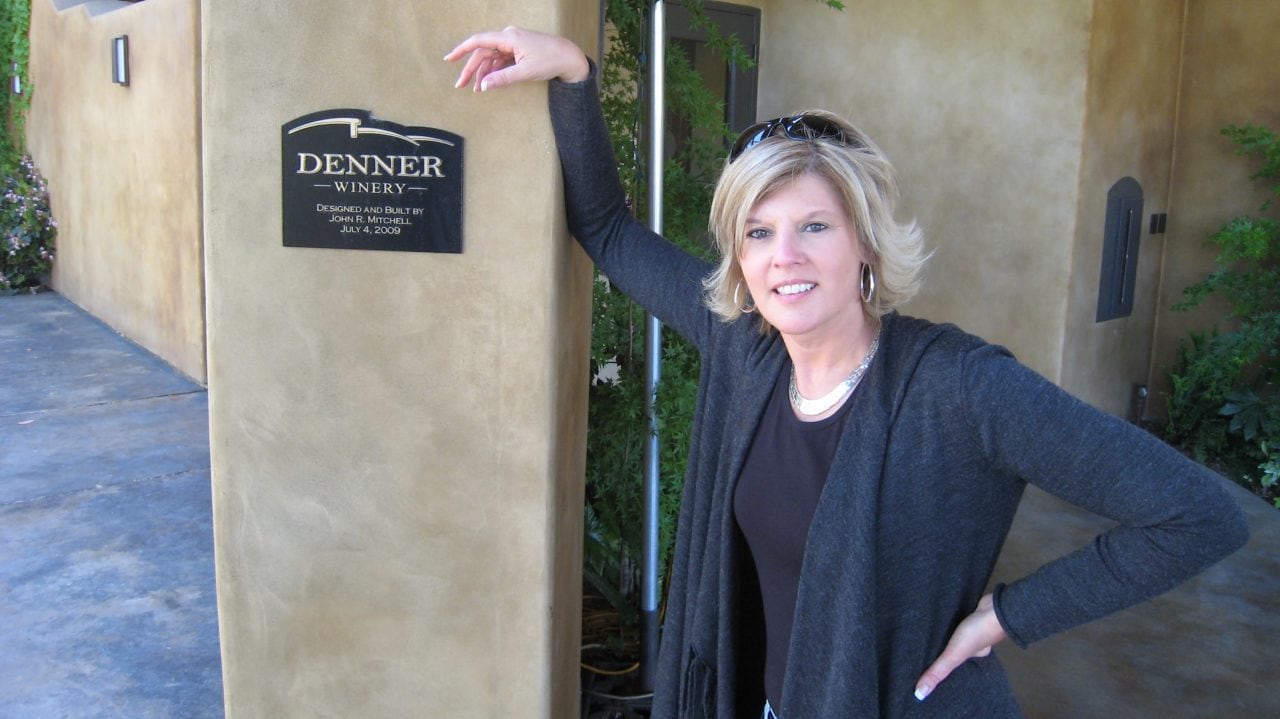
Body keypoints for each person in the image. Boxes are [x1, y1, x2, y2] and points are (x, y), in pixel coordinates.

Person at [445, 27, 1249, 719]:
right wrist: (574, 72)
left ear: (865, 242)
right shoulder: (746, 349)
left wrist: (1007, 614)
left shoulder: (961, 386)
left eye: (814, 225)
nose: (783, 257)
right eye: (758, 232)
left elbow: (1198, 515)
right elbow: (607, 230)